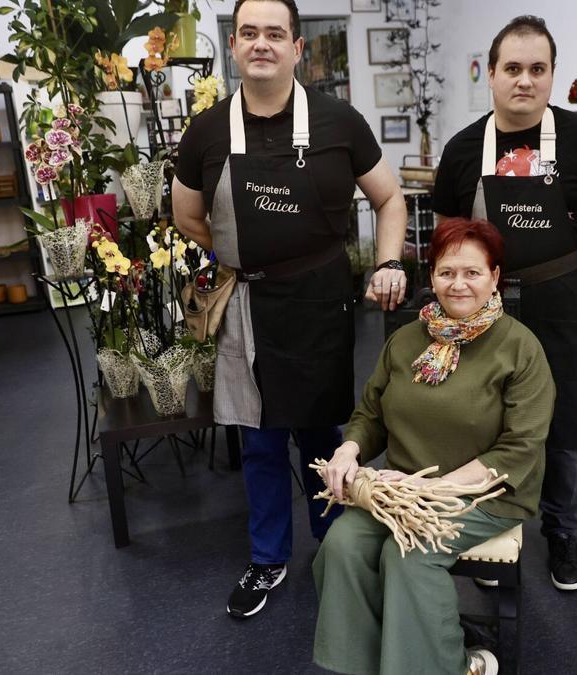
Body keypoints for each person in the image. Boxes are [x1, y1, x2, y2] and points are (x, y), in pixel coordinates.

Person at [171, 0, 408, 619]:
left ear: (298, 48)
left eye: (275, 33)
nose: (261, 44)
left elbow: (389, 200)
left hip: (320, 301)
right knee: (258, 438)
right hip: (247, 300)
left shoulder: (339, 122)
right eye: (249, 32)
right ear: (233, 45)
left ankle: (336, 549)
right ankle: (268, 558)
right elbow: (186, 214)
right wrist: (242, 257)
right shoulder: (207, 132)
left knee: (323, 433)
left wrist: (387, 263)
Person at [313, 218, 555, 675]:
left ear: (495, 277)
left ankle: (455, 665)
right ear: (431, 276)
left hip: (486, 494)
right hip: (403, 489)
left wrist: (435, 490)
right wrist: (349, 450)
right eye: (446, 272)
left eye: (472, 272)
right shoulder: (405, 341)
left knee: (409, 554)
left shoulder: (521, 349)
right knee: (342, 544)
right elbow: (371, 415)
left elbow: (519, 450)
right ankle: (368, 664)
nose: (458, 284)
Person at [432, 15, 577, 592]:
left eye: (537, 69)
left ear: (552, 75)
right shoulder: (464, 149)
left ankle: (562, 532)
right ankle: (489, 530)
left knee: (562, 423)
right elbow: (447, 236)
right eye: (512, 68)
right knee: (486, 418)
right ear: (491, 75)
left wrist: (564, 272)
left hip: (560, 302)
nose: (525, 80)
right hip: (484, 310)